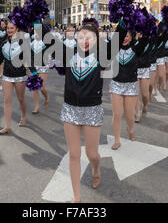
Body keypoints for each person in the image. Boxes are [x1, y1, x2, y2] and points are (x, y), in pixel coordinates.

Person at [52, 19, 127, 203]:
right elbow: (46, 39)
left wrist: (124, 18)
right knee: (74, 154)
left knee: (91, 154)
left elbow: (119, 37)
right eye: (82, 37)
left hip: (92, 110)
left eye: (90, 38)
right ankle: (76, 197)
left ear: (96, 40)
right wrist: (35, 18)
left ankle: (96, 168)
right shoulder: (68, 54)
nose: (85, 40)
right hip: (70, 110)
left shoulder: (102, 57)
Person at [0, 21, 39, 135]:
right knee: (7, 101)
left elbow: (29, 59)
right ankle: (7, 126)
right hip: (7, 76)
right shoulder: (4, 43)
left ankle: (24, 115)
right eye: (8, 28)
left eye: (12, 28)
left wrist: (34, 73)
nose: (9, 30)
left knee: (21, 99)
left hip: (20, 76)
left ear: (17, 29)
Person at [110, 29, 149, 149]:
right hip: (116, 85)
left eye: (127, 36)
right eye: (123, 36)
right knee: (117, 114)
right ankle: (117, 140)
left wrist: (144, 22)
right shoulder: (113, 49)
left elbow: (146, 38)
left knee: (129, 116)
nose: (125, 38)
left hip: (131, 86)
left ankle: (130, 129)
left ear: (132, 37)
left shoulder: (136, 49)